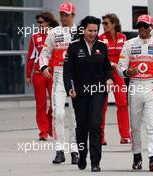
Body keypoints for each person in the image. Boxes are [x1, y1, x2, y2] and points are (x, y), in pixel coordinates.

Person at [117, 14, 153, 172]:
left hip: (152, 86)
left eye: (145, 26)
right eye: (139, 25)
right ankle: (137, 157)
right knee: (135, 126)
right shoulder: (128, 44)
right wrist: (127, 72)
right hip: (135, 86)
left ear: (151, 27)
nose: (141, 29)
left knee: (152, 125)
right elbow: (120, 67)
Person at [63, 16, 113, 172]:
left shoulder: (102, 46)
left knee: (95, 124)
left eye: (95, 31)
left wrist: (109, 79)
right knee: (82, 126)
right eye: (90, 30)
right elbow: (67, 71)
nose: (93, 33)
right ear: (83, 30)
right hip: (80, 92)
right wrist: (69, 87)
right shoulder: (73, 47)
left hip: (98, 90)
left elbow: (107, 67)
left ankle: (95, 161)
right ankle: (82, 154)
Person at [39, 2, 79, 165]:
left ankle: (75, 151)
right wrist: (43, 66)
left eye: (66, 15)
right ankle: (60, 150)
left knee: (76, 117)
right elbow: (44, 53)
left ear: (73, 16)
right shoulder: (53, 32)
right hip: (58, 75)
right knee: (59, 114)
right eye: (61, 14)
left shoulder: (80, 32)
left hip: (77, 77)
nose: (63, 17)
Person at [26, 12, 59, 141]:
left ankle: (50, 125)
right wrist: (28, 75)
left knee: (54, 103)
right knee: (41, 104)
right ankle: (43, 131)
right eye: (38, 23)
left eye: (41, 22)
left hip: (52, 73)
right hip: (38, 74)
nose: (39, 25)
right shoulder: (35, 37)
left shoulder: (56, 35)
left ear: (48, 22)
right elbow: (31, 57)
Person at [98, 13, 130, 145]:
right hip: (105, 74)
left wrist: (123, 67)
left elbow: (126, 55)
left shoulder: (123, 37)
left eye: (106, 23)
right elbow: (100, 58)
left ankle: (125, 136)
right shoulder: (100, 39)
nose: (103, 26)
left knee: (122, 103)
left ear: (114, 24)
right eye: (103, 23)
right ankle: (100, 137)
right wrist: (111, 64)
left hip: (119, 74)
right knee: (102, 106)